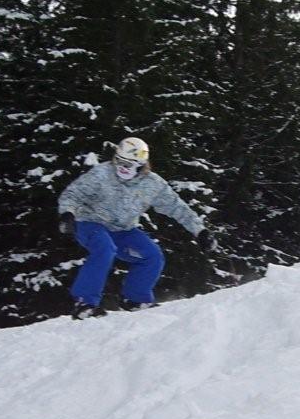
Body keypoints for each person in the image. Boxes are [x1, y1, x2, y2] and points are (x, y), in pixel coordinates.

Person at [57, 137, 217, 319]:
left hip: (123, 230)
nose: (122, 167)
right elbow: (73, 194)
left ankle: (135, 298)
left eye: (128, 164)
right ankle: (84, 303)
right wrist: (67, 213)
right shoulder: (101, 174)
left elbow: (176, 207)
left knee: (152, 255)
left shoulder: (152, 184)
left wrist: (200, 230)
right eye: (119, 161)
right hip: (90, 222)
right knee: (104, 248)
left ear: (141, 165)